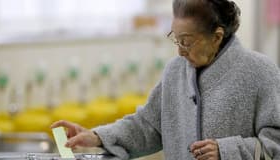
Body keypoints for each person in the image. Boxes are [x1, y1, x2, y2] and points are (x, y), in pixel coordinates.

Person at [51, 0, 280, 159]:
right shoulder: (175, 71)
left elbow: (276, 143)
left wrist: (227, 151)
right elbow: (148, 126)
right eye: (175, 39)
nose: (180, 51)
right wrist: (96, 136)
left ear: (216, 36)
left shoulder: (261, 73)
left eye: (187, 41)